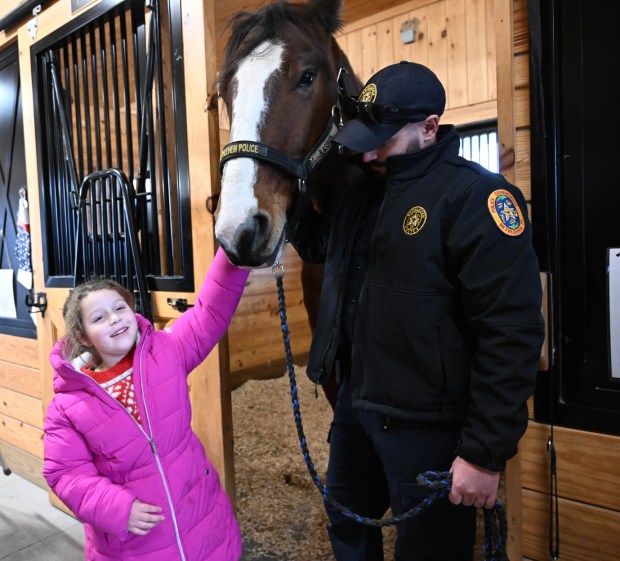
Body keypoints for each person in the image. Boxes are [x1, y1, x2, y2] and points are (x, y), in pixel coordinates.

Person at [287, 61, 545, 560]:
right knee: (346, 525)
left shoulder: (477, 198)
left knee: (429, 549)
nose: (368, 151)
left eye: (382, 138)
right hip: (356, 404)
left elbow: (510, 333)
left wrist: (483, 454)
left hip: (428, 424)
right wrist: (290, 199)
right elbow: (324, 247)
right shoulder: (363, 190)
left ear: (430, 127)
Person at [42, 248, 249, 561]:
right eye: (99, 317)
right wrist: (117, 509)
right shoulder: (67, 405)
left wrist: (235, 251)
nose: (115, 319)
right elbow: (65, 474)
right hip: (135, 543)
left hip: (200, 518)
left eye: (120, 308)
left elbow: (210, 311)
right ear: (84, 337)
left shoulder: (166, 351)